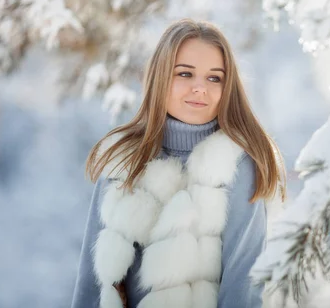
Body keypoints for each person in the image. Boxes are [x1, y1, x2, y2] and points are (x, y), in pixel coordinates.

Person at [71, 19, 286, 308]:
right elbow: (90, 282)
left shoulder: (237, 165)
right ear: (161, 78)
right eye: (185, 74)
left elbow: (244, 283)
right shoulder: (122, 159)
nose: (200, 88)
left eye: (214, 78)